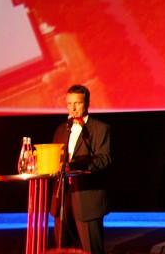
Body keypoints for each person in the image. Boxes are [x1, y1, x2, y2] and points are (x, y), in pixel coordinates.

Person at [50, 85, 111, 254]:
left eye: (77, 103)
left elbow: (104, 159)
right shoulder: (62, 129)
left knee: (91, 248)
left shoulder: (100, 128)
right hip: (62, 195)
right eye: (69, 103)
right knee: (63, 248)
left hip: (86, 196)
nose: (73, 108)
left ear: (87, 104)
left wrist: (77, 165)